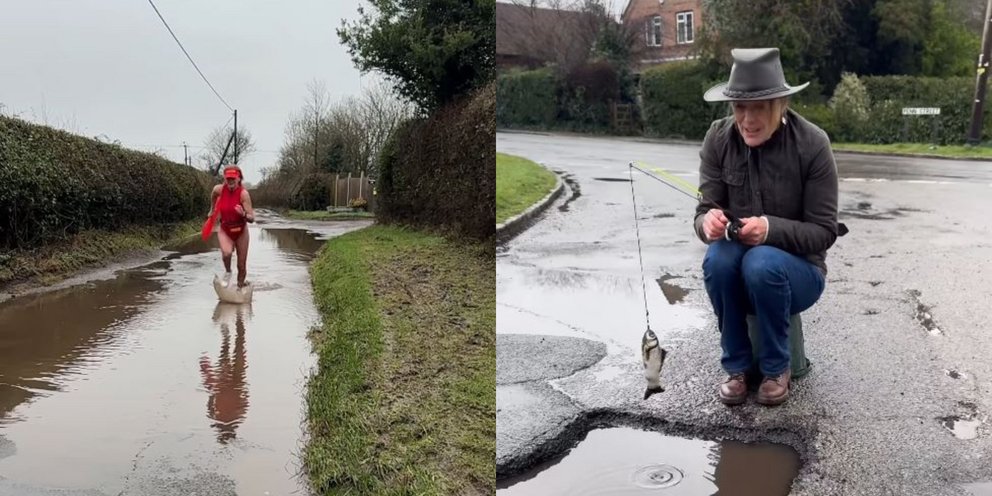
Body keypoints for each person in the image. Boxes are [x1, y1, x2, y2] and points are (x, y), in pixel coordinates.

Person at [695, 48, 843, 407]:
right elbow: (702, 211)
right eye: (739, 107)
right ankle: (737, 367)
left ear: (780, 104)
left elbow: (824, 232)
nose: (746, 119)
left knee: (761, 262)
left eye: (758, 107)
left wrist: (769, 230)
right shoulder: (718, 139)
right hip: (736, 273)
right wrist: (707, 224)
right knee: (717, 258)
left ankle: (778, 368)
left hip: (800, 274)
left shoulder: (812, 144)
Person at [208, 165, 256, 288]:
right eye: (228, 179)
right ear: (224, 179)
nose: (230, 181)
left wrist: (243, 214)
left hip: (241, 231)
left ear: (238, 179)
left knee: (241, 264)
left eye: (233, 179)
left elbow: (252, 218)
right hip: (225, 229)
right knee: (226, 255)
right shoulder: (218, 189)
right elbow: (213, 195)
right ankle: (228, 271)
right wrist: (212, 210)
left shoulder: (243, 194)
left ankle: (240, 287)